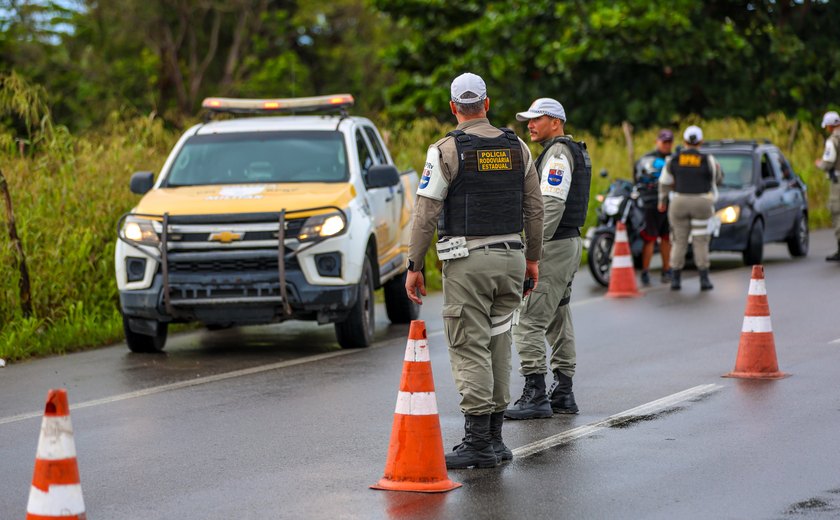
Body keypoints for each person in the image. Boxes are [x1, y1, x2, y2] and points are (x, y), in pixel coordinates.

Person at [405, 72, 544, 468]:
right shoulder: (517, 146)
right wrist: (532, 260)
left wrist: (415, 266)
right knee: (499, 343)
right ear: (487, 103)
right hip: (512, 256)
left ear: (453, 108)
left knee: (469, 345)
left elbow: (427, 211)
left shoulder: (446, 149)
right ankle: (496, 440)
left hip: (468, 261)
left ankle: (478, 442)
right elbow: (535, 208)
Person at [504, 98, 591, 420]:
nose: (530, 125)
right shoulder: (570, 150)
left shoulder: (557, 154)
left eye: (536, 119)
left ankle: (536, 393)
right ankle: (564, 391)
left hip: (553, 245)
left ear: (556, 121)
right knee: (558, 316)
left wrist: (532, 252)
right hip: (568, 242)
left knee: (528, 320)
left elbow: (551, 205)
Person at [658, 125, 723, 291]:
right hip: (702, 202)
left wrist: (662, 201)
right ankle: (704, 279)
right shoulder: (708, 159)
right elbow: (718, 178)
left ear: (684, 141)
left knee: (679, 240)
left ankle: (675, 279)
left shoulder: (673, 159)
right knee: (700, 241)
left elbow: (664, 182)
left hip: (679, 202)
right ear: (700, 141)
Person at [634, 129, 673, 285]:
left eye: (669, 142)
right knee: (649, 239)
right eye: (664, 142)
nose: (666, 145)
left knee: (666, 238)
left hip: (668, 202)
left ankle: (666, 270)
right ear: (657, 142)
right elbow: (637, 178)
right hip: (651, 203)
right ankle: (645, 272)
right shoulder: (647, 158)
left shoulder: (673, 158)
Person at [815, 110, 840, 261]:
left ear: (830, 126)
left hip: (838, 184)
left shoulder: (833, 141)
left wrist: (820, 164)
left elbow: (828, 162)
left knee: (838, 213)